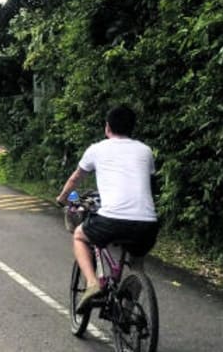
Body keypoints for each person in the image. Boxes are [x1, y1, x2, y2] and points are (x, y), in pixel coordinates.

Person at [55, 105, 159, 313]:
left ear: (107, 127)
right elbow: (149, 183)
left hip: (112, 219)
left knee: (79, 236)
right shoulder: (145, 151)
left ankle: (93, 283)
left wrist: (62, 198)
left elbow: (75, 177)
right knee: (137, 263)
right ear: (132, 128)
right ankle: (128, 311)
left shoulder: (97, 149)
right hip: (147, 223)